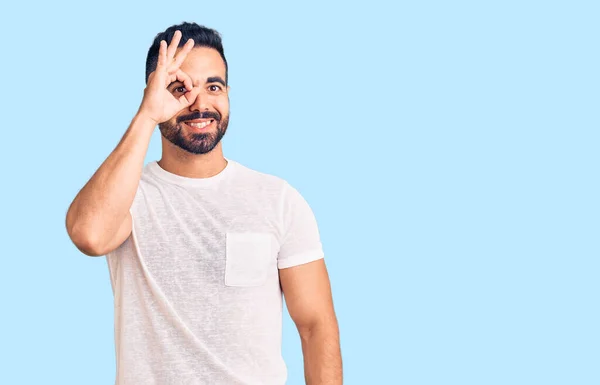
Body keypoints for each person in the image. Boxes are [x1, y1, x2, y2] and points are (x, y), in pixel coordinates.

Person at [65, 22, 342, 385]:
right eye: (179, 88)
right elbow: (90, 235)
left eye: (214, 86)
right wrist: (147, 116)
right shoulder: (129, 195)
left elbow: (315, 326)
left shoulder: (278, 200)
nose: (200, 104)